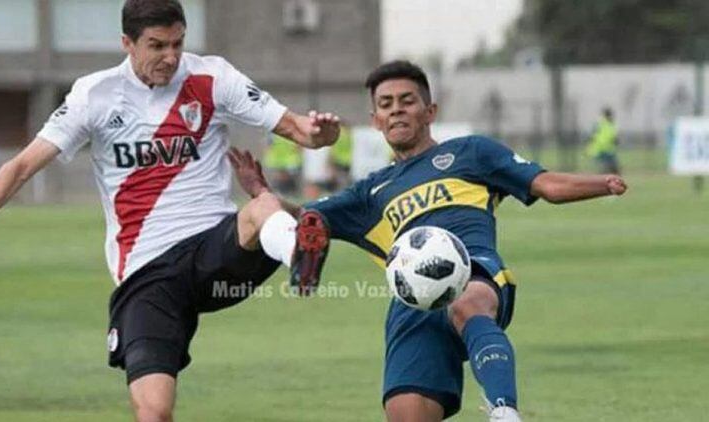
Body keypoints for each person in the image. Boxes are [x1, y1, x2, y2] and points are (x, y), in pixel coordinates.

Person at [0, 1, 335, 421]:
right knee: (153, 411)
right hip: (146, 273)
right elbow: (22, 165)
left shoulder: (213, 77)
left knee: (261, 205)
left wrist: (321, 134)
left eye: (177, 43)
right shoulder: (94, 96)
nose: (170, 57)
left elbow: (300, 128)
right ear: (127, 44)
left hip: (212, 250)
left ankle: (300, 256)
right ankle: (296, 236)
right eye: (156, 45)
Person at [232, 60, 628, 421]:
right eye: (386, 104)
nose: (397, 109)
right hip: (411, 306)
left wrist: (603, 183)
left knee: (468, 299)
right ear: (376, 120)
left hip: (474, 269)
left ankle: (504, 411)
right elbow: (308, 218)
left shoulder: (471, 152)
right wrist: (263, 195)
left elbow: (546, 184)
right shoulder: (369, 192)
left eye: (407, 100)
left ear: (430, 111)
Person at [587, 107, 621, 174]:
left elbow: (614, 138)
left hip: (608, 151)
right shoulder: (603, 124)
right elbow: (592, 138)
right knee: (607, 171)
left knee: (612, 170)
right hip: (602, 151)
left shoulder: (609, 124)